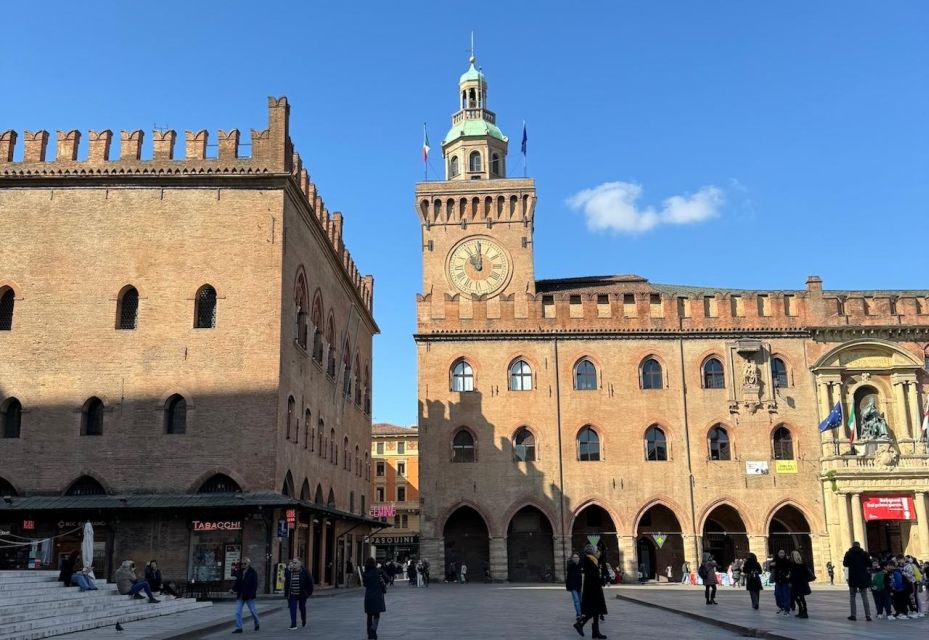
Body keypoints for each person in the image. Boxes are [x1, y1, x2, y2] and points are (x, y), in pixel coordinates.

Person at [572, 544, 607, 639]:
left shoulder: (593, 560)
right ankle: (580, 624)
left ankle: (595, 632)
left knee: (596, 612)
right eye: (596, 551)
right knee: (593, 611)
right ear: (592, 552)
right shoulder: (588, 561)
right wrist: (600, 580)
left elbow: (596, 573)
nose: (598, 553)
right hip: (592, 591)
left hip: (594, 589)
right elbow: (592, 577)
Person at [843, 541, 872, 621]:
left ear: (852, 546)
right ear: (859, 546)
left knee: (852, 596)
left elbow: (845, 564)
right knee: (864, 596)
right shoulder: (865, 554)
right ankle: (868, 615)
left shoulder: (848, 553)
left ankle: (853, 615)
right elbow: (869, 564)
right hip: (863, 577)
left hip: (853, 577)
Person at [231, 557, 259, 633]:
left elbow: (255, 584)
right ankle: (239, 628)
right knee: (237, 612)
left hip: (249, 595)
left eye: (245, 563)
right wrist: (233, 589)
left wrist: (252, 594)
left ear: (248, 564)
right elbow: (237, 583)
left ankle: (257, 622)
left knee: (253, 611)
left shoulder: (253, 572)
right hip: (240, 595)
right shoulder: (239, 572)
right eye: (242, 563)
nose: (243, 565)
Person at [284, 558, 314, 630]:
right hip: (292, 594)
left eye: (295, 563)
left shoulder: (305, 572)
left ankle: (304, 621)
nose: (294, 564)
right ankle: (293, 625)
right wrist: (287, 569)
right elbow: (286, 580)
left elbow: (310, 583)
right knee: (292, 608)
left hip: (302, 594)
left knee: (302, 607)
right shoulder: (290, 572)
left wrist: (307, 594)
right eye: (293, 562)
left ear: (300, 564)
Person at [363, 557, 387, 640]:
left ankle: (370, 634)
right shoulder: (379, 571)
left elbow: (365, 584)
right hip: (377, 596)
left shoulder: (365, 573)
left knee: (369, 616)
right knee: (376, 615)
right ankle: (373, 629)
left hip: (369, 596)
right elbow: (387, 579)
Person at [789, 550, 813, 618]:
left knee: (800, 598)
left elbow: (795, 575)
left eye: (792, 556)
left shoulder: (796, 565)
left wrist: (790, 578)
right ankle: (801, 611)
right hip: (801, 583)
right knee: (798, 598)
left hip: (798, 584)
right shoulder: (802, 564)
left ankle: (804, 612)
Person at [771, 549, 792, 615]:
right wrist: (771, 565)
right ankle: (780, 606)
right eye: (780, 553)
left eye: (783, 553)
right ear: (778, 553)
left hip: (785, 581)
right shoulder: (775, 561)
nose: (781, 554)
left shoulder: (787, 561)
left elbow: (790, 569)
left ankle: (787, 610)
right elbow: (770, 569)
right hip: (778, 580)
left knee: (786, 596)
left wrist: (788, 576)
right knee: (777, 595)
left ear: (785, 554)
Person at [566, 552, 583, 620]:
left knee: (581, 600)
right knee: (576, 600)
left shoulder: (581, 565)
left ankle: (581, 612)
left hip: (580, 586)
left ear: (579, 558)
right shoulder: (570, 566)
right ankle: (579, 614)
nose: (576, 559)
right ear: (572, 559)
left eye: (577, 557)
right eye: (574, 557)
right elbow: (568, 577)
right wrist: (568, 586)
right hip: (573, 586)